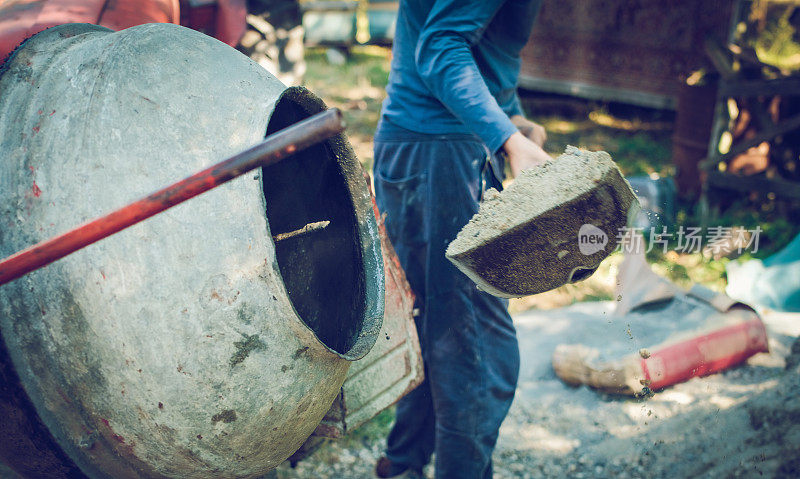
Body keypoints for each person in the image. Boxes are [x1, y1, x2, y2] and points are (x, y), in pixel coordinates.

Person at [372, 1, 549, 478]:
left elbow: (481, 52)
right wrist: (508, 139)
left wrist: (514, 122)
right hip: (441, 156)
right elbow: (440, 46)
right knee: (473, 343)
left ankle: (403, 464)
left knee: (439, 320)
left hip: (430, 148)